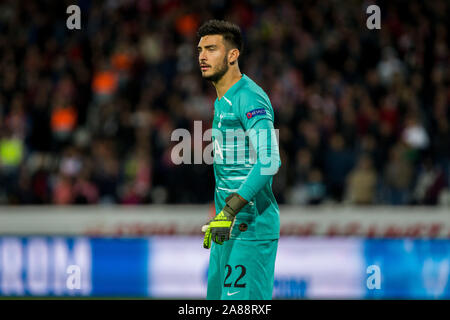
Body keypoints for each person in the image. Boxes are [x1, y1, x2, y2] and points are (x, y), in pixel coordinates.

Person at [197, 20, 281, 300]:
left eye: (211, 49)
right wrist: (220, 214)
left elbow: (269, 160)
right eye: (200, 50)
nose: (202, 56)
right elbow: (231, 168)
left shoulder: (249, 98)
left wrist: (230, 211)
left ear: (233, 55)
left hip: (250, 231)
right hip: (226, 230)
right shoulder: (222, 101)